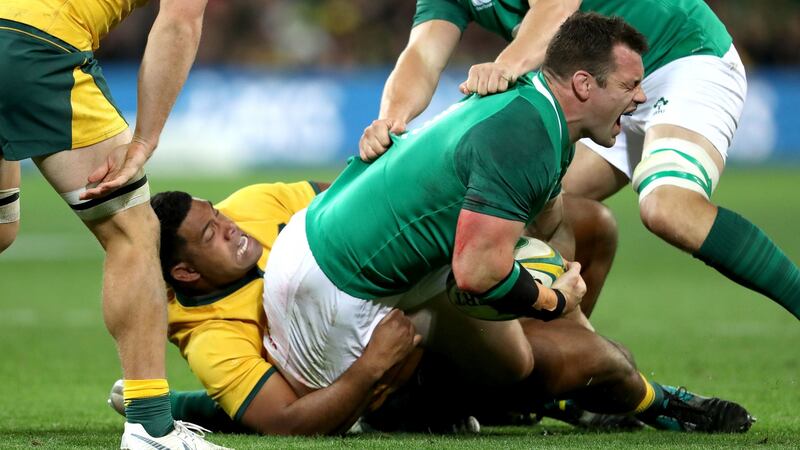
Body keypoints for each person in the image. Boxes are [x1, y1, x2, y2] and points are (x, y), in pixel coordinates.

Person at [122, 180, 752, 435]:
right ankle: (659, 403)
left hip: (419, 313)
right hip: (395, 371)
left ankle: (540, 389)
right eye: (211, 235)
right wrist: (371, 369)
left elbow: (350, 201)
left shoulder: (254, 205)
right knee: (602, 363)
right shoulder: (208, 334)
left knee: (591, 223)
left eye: (219, 215)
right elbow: (284, 425)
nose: (233, 227)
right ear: (182, 271)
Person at [359, 0, 800, 320]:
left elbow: (554, 9)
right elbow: (421, 53)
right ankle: (569, 368)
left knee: (668, 207)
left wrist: (507, 64)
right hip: (599, 88)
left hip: (681, 58)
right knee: (524, 206)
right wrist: (390, 121)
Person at [0, 1, 227, 448]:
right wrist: (144, 139)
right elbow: (180, 19)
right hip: (36, 46)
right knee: (133, 231)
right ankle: (150, 427)